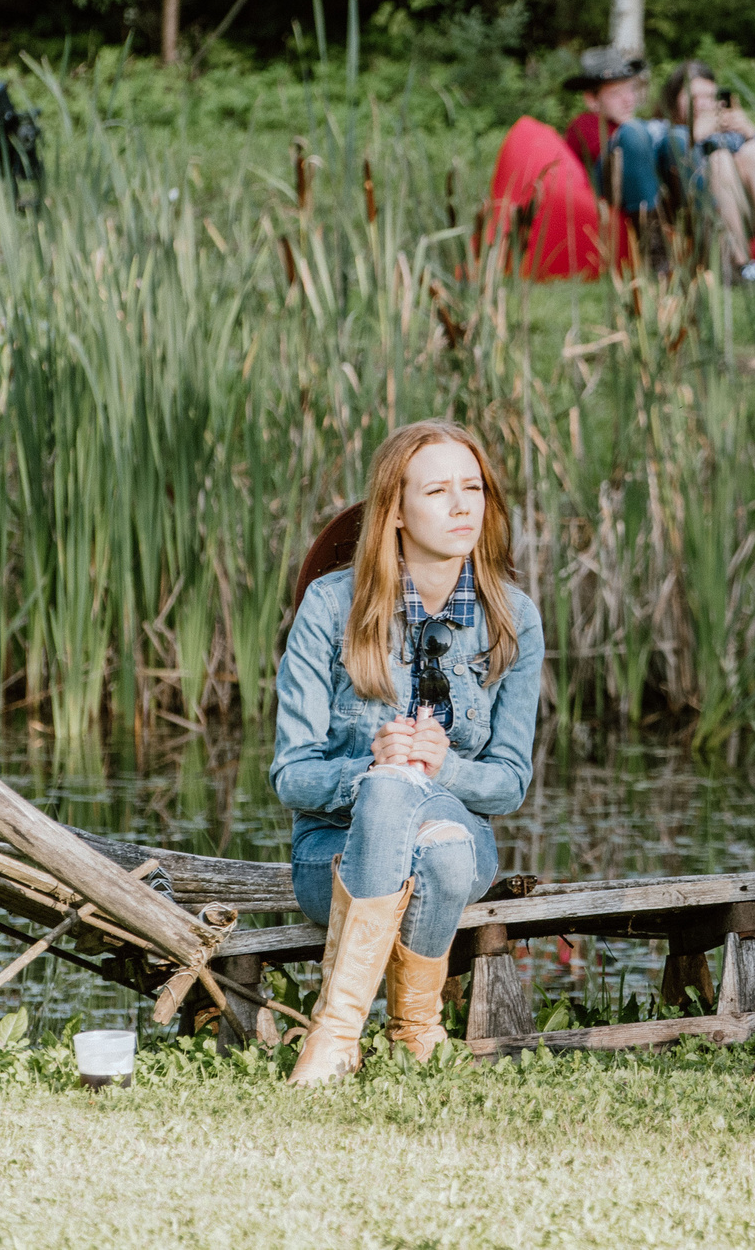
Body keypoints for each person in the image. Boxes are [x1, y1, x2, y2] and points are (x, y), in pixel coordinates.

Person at [271, 418, 546, 1085]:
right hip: (332, 858)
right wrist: (371, 771)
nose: (461, 506)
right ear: (395, 509)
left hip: (459, 838)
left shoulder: (513, 617)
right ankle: (404, 1031)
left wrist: (441, 768)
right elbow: (291, 776)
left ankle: (342, 1035)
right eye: (437, 491)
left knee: (447, 844)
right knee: (398, 796)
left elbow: (509, 784)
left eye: (472, 487)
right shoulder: (331, 606)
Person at [660, 60, 755, 282]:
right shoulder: (670, 133)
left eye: (709, 96)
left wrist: (752, 133)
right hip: (711, 215)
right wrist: (695, 137)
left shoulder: (732, 129)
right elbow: (675, 173)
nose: (702, 104)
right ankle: (742, 265)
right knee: (719, 160)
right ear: (675, 100)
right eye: (693, 97)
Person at [563, 43, 693, 233]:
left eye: (630, 90)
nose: (628, 100)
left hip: (649, 188)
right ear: (592, 100)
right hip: (608, 192)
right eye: (616, 93)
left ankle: (701, 228)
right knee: (633, 133)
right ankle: (651, 238)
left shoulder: (632, 125)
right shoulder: (584, 124)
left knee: (679, 136)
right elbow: (619, 155)